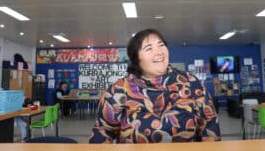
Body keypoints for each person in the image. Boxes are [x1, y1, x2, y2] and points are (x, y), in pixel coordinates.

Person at [89, 28, 221, 143]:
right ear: (136, 60)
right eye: (149, 48)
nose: (159, 52)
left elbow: (210, 125)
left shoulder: (191, 83)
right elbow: (102, 131)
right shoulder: (119, 90)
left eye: (161, 45)